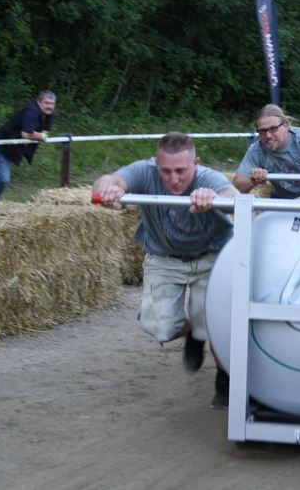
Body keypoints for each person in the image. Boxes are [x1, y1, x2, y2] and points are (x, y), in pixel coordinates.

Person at [92, 132, 238, 409]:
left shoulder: (208, 177)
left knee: (215, 323)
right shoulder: (144, 171)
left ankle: (225, 379)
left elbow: (233, 196)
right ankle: (193, 332)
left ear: (196, 164)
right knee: (160, 327)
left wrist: (213, 197)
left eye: (181, 171)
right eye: (166, 171)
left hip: (212, 257)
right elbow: (107, 181)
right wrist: (109, 189)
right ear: (157, 165)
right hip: (165, 257)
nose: (174, 179)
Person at [0, 90, 56, 201]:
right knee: (3, 179)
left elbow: (46, 132)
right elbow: (26, 134)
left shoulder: (50, 114)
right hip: (1, 144)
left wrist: (39, 135)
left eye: (52, 104)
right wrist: (41, 136)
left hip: (14, 147)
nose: (49, 106)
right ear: (39, 102)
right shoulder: (31, 112)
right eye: (47, 103)